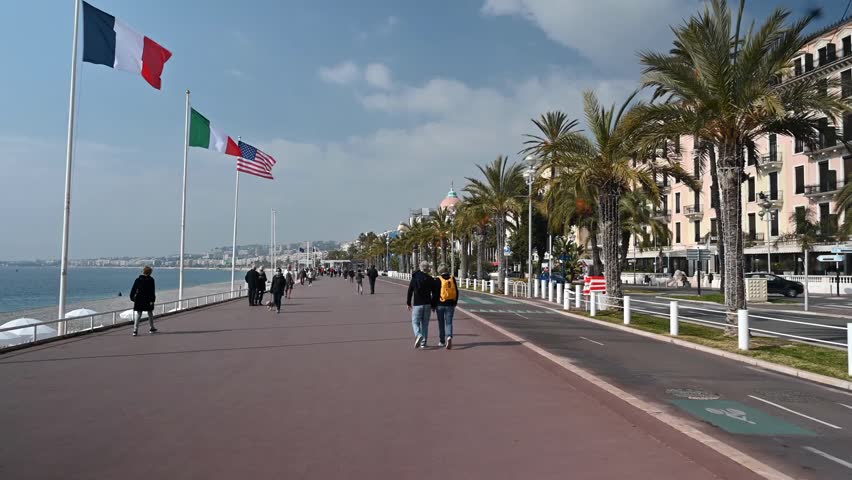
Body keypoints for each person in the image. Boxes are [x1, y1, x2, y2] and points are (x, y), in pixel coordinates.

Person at [406, 261, 436, 349]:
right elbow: (434, 293)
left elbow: (410, 290)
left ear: (420, 267)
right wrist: (433, 305)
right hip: (427, 304)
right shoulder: (430, 279)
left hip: (417, 304)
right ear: (428, 268)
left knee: (415, 322)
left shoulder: (415, 277)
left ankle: (418, 334)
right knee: (425, 324)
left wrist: (408, 302)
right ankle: (423, 343)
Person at [434, 264, 458, 349]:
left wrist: (433, 305)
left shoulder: (438, 280)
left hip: (440, 304)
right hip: (451, 304)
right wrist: (455, 302)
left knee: (441, 323)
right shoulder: (452, 278)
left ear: (439, 271)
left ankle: (442, 341)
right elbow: (456, 291)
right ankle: (449, 336)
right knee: (449, 322)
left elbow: (435, 294)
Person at [129, 265, 157, 336]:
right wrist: (152, 300)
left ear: (143, 271)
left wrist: (132, 298)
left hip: (139, 299)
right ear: (150, 272)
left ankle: (135, 330)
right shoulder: (151, 280)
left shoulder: (138, 280)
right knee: (150, 313)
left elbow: (133, 290)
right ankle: (151, 328)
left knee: (139, 314)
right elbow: (152, 291)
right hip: (148, 299)